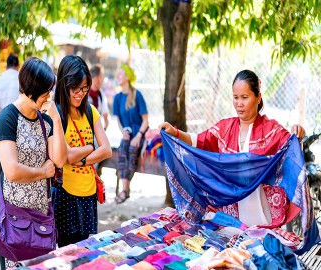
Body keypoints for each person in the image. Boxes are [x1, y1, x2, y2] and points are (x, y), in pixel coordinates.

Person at [159, 69, 305, 227]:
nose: (239, 103)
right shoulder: (225, 127)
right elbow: (199, 141)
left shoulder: (272, 130)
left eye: (245, 97)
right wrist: (175, 133)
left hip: (263, 215)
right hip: (231, 216)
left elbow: (290, 149)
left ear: (258, 98)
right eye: (235, 98)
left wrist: (298, 135)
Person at [0, 57, 67, 269]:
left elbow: (60, 159)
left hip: (41, 211)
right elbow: (12, 170)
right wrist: (43, 171)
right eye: (45, 92)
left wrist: (57, 119)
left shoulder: (46, 119)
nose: (49, 97)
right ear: (31, 90)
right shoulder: (7, 118)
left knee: (39, 265)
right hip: (14, 214)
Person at [53, 55, 112, 247]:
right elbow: (67, 156)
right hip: (65, 194)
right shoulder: (56, 113)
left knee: (83, 250)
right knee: (64, 251)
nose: (80, 93)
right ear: (64, 85)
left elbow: (107, 150)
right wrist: (90, 147)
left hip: (88, 192)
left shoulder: (90, 111)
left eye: (85, 88)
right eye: (75, 88)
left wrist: (85, 160)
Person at [113, 64, 149, 204]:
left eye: (121, 74)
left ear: (127, 77)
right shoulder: (117, 98)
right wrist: (123, 132)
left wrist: (139, 135)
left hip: (139, 133)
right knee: (122, 150)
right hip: (127, 133)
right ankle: (125, 189)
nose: (118, 77)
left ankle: (125, 190)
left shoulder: (137, 95)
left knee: (132, 149)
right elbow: (117, 120)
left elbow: (145, 120)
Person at [89, 64, 109, 130]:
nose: (103, 80)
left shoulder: (101, 94)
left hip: (95, 134)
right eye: (102, 77)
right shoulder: (83, 93)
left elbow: (106, 118)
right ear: (96, 78)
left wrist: (103, 130)